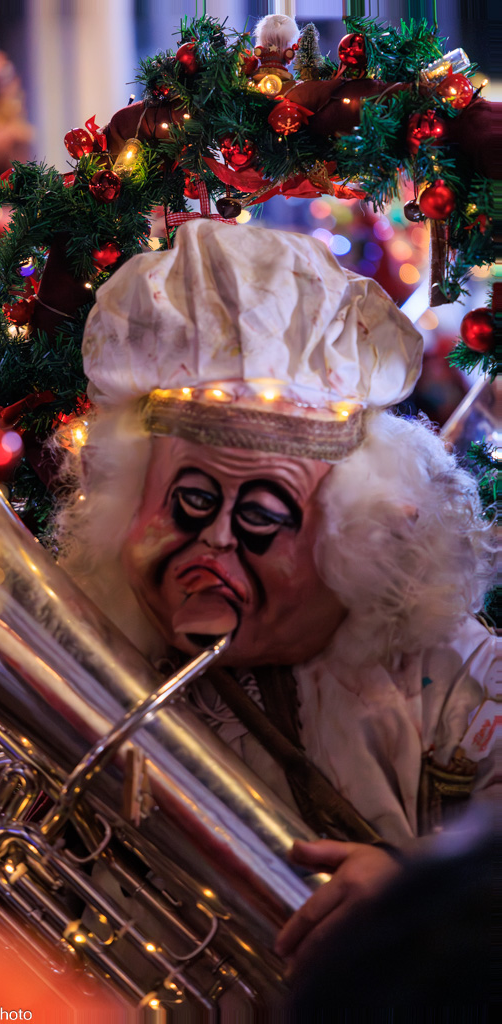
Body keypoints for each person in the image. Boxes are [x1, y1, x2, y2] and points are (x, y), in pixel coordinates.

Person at [52, 219, 496, 974]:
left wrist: (420, 892)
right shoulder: (86, 662)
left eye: (260, 515)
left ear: (353, 536)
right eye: (190, 501)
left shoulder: (452, 672)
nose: (218, 541)